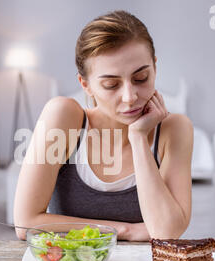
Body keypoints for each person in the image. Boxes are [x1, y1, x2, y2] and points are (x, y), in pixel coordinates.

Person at [13, 10, 193, 241]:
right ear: (85, 84)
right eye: (111, 84)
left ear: (154, 68)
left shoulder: (174, 129)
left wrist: (138, 137)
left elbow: (166, 232)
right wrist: (124, 230)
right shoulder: (64, 116)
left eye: (141, 78)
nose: (130, 97)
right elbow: (26, 223)